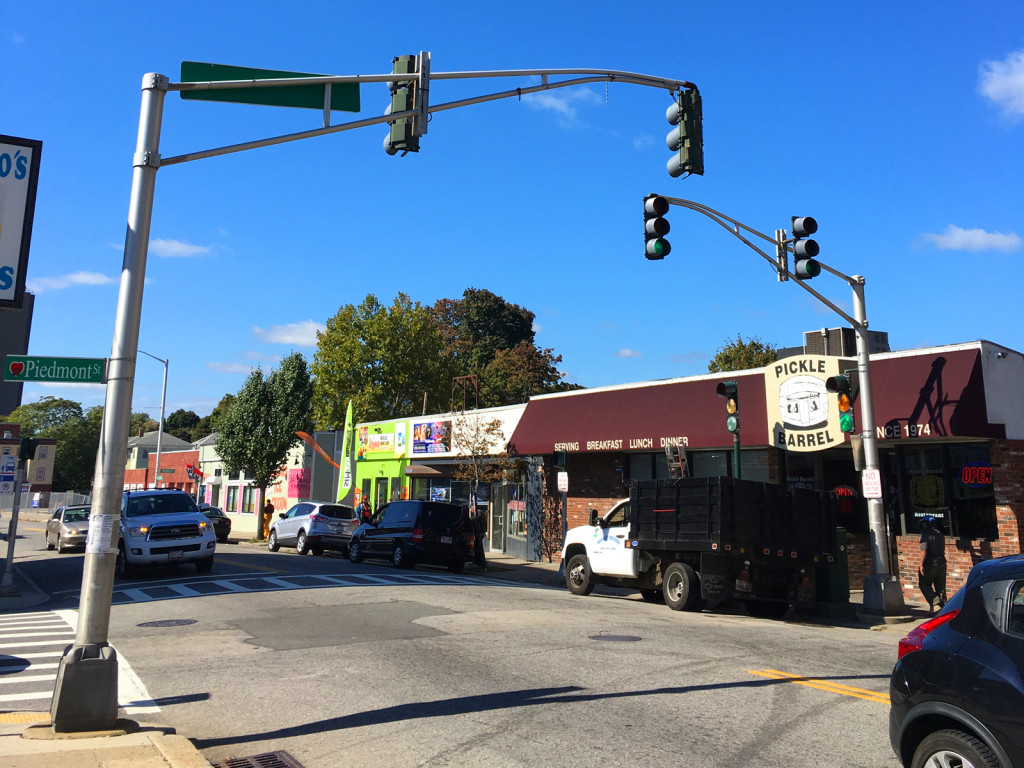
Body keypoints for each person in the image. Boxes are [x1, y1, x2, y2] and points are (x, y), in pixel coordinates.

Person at [918, 515, 947, 612]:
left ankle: (935, 604)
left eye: (923, 523)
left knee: (924, 584)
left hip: (930, 563)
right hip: (942, 562)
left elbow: (924, 550)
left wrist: (921, 564)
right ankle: (944, 608)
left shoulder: (926, 535)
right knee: (940, 587)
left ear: (927, 524)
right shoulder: (940, 534)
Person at [472, 506, 487, 572]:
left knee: (477, 546)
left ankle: (478, 561)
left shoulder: (478, 514)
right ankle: (477, 561)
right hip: (481, 532)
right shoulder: (479, 514)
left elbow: (476, 523)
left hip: (480, 533)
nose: (470, 510)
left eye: (471, 508)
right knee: (477, 546)